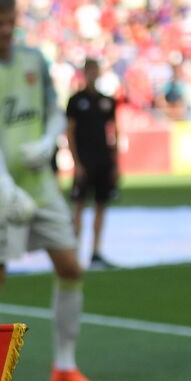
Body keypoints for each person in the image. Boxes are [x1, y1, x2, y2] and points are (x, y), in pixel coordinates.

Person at [0, 0, 106, 381]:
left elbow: (55, 110)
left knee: (71, 268)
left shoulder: (34, 61)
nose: (5, 30)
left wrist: (47, 141)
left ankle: (64, 367)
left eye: (10, 23)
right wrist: (5, 186)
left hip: (41, 186)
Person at [66, 58, 120, 269]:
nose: (93, 74)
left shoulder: (107, 101)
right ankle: (75, 252)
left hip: (103, 160)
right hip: (85, 160)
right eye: (89, 71)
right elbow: (70, 131)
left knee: (101, 204)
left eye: (95, 71)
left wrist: (115, 162)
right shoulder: (76, 100)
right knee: (78, 206)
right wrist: (76, 162)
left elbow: (114, 131)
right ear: (84, 73)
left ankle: (96, 252)